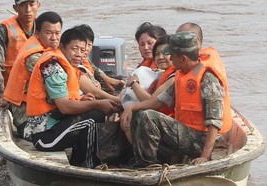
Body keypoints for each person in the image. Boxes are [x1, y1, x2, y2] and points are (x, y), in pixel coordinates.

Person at [122, 31, 232, 167]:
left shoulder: (207, 79)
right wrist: (131, 108)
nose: (171, 59)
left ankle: (145, 166)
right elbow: (157, 102)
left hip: (204, 139)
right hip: (188, 131)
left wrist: (205, 156)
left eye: (172, 55)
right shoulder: (182, 74)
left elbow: (214, 122)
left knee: (148, 116)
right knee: (139, 115)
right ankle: (143, 161)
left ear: (183, 58)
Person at [23, 25, 122, 167]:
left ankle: (80, 160)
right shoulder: (53, 67)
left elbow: (62, 103)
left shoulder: (69, 67)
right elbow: (64, 107)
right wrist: (98, 103)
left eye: (82, 50)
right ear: (62, 47)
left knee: (95, 113)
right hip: (44, 136)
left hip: (55, 125)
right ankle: (87, 165)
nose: (79, 54)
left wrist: (83, 101)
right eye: (74, 49)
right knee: (92, 117)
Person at [0, 11, 63, 135]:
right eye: (49, 33)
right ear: (37, 33)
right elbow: (58, 97)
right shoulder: (35, 58)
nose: (54, 38)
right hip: (29, 121)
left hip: (44, 113)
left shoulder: (49, 49)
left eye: (57, 33)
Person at [0, 0, 40, 104]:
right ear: (15, 8)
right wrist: (0, 96)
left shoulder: (45, 29)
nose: (28, 10)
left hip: (39, 90)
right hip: (12, 94)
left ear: (38, 5)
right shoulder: (4, 30)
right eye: (22, 5)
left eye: (31, 4)